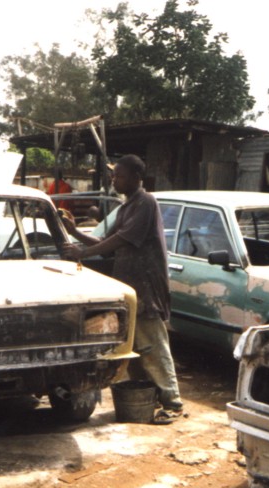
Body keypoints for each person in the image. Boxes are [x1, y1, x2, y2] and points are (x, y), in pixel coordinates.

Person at [62, 154, 184, 424]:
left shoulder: (146, 203)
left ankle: (172, 403)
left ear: (137, 178)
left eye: (120, 175)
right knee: (137, 349)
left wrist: (83, 252)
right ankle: (148, 399)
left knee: (153, 346)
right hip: (130, 288)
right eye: (114, 175)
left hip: (147, 288)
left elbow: (118, 240)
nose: (114, 179)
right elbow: (107, 239)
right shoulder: (127, 206)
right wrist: (76, 232)